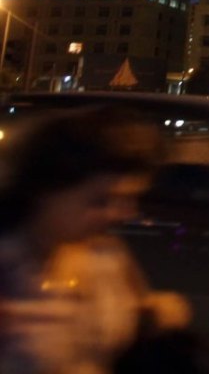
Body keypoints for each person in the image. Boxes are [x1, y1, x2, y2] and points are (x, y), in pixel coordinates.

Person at [0, 106, 194, 373]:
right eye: (101, 201)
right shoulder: (8, 265)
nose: (124, 214)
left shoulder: (105, 254)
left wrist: (157, 314)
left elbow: (145, 312)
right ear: (44, 189)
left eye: (129, 199)